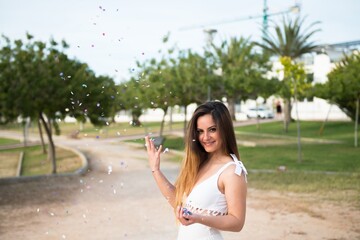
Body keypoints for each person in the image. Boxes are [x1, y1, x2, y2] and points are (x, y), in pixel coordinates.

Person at [145, 101, 248, 240]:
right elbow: (178, 203)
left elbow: (237, 222)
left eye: (212, 129)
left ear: (224, 130)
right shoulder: (201, 163)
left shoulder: (232, 172)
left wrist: (199, 218)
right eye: (200, 131)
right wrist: (155, 170)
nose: (205, 137)